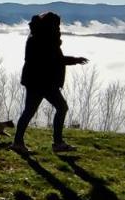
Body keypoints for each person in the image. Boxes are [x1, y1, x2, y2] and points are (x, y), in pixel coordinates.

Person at [11, 11, 88, 154]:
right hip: (43, 82)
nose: (59, 28)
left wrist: (74, 59)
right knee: (61, 108)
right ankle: (57, 143)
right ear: (51, 24)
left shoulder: (38, 35)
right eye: (57, 25)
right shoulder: (43, 38)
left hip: (36, 80)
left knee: (29, 111)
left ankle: (18, 143)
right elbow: (55, 59)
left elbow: (53, 58)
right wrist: (75, 60)